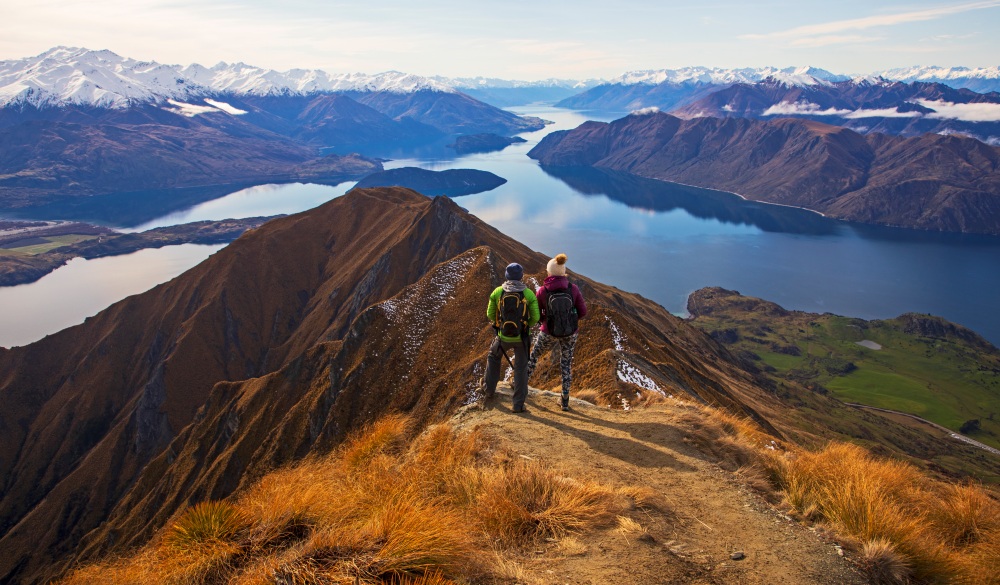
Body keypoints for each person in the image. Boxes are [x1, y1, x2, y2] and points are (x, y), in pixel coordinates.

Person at [526, 253, 587, 411]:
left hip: (548, 330)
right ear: (563, 272)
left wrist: (546, 322)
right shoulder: (572, 289)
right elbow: (583, 311)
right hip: (570, 332)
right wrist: (570, 320)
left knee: (534, 356)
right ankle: (565, 400)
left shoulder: (542, 291)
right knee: (566, 364)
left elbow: (538, 314)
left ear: (549, 273)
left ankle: (521, 387)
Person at [483, 262, 539, 413]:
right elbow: (536, 317)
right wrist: (525, 326)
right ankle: (518, 405)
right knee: (521, 369)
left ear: (507, 276)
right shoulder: (528, 294)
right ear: (521, 277)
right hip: (522, 338)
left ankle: (488, 391)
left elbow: (490, 314)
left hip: (502, 337)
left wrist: (500, 325)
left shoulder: (497, 292)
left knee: (493, 358)